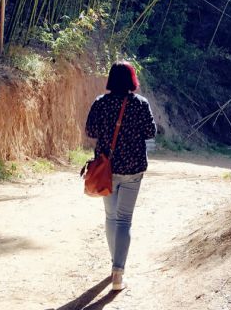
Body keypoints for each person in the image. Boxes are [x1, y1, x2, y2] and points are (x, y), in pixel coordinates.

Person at [85, 61, 156, 291]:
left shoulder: (101, 103)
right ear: (132, 80)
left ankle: (115, 263)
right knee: (124, 219)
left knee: (110, 217)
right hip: (133, 168)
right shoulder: (140, 104)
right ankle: (118, 273)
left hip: (107, 168)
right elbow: (150, 132)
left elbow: (90, 131)